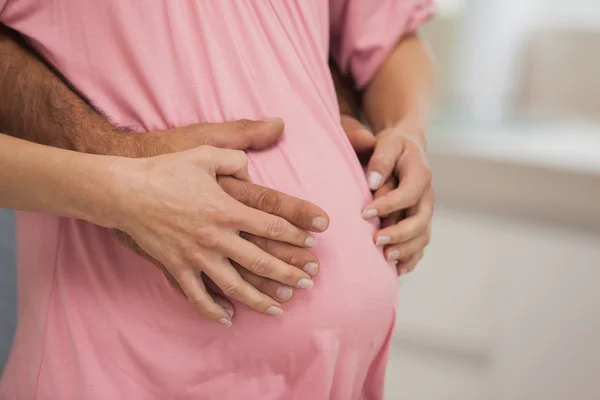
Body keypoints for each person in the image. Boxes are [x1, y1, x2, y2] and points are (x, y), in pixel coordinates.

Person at [0, 1, 435, 399]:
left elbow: (392, 35)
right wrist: (122, 190)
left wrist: (406, 131)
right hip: (127, 368)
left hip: (341, 375)